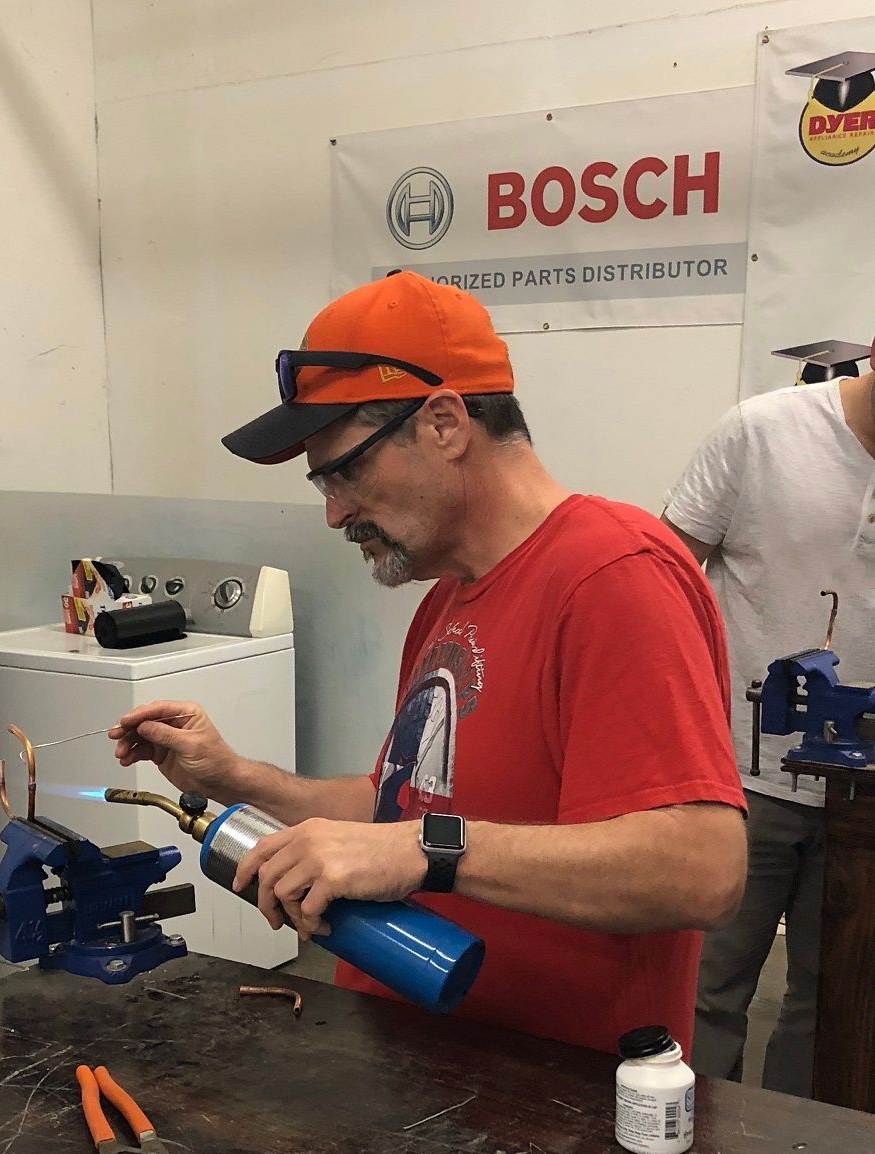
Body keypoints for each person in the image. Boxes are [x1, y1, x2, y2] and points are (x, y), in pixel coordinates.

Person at [110, 273, 747, 1055]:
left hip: (552, 1107)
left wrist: (424, 851)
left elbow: (702, 866)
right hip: (420, 1073)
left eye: (345, 470)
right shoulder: (445, 601)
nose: (334, 511)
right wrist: (237, 778)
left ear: (445, 422)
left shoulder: (612, 576)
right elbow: (402, 811)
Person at [663, 339, 875, 1094]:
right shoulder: (762, 434)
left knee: (837, 1008)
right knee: (706, 994)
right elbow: (661, 585)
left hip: (864, 804)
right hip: (738, 785)